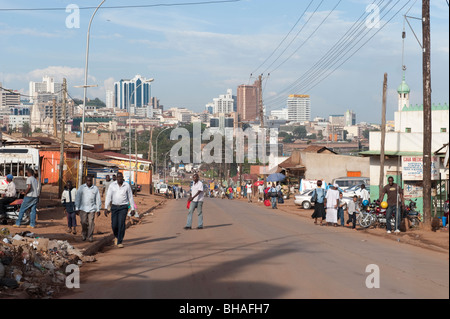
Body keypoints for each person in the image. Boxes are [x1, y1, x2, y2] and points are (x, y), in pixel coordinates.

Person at [105, 172, 136, 248]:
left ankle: (120, 241)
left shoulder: (127, 186)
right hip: (114, 207)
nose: (119, 179)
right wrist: (106, 207)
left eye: (120, 177)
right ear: (116, 178)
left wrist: (132, 208)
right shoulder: (112, 185)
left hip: (123, 207)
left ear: (122, 178)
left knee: (121, 223)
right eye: (118, 177)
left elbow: (130, 197)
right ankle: (116, 236)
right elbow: (108, 196)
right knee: (114, 224)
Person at [75, 175, 101, 242]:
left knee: (91, 222)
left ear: (92, 181)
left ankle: (90, 236)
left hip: (92, 208)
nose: (89, 182)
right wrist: (77, 208)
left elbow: (98, 199)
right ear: (86, 181)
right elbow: (78, 198)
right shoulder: (81, 188)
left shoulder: (95, 188)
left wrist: (98, 209)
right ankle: (84, 234)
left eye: (90, 181)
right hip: (83, 208)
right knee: (83, 222)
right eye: (88, 180)